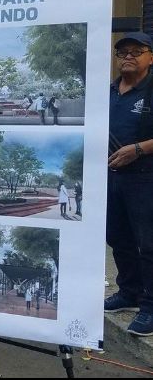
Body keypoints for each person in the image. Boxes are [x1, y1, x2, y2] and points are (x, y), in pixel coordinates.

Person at [106, 32, 153, 337]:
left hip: (145, 178)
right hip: (110, 178)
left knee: (148, 243)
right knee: (117, 236)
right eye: (123, 52)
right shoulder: (109, 90)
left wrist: (138, 149)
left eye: (137, 51)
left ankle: (149, 307)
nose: (128, 57)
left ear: (151, 57)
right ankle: (129, 292)